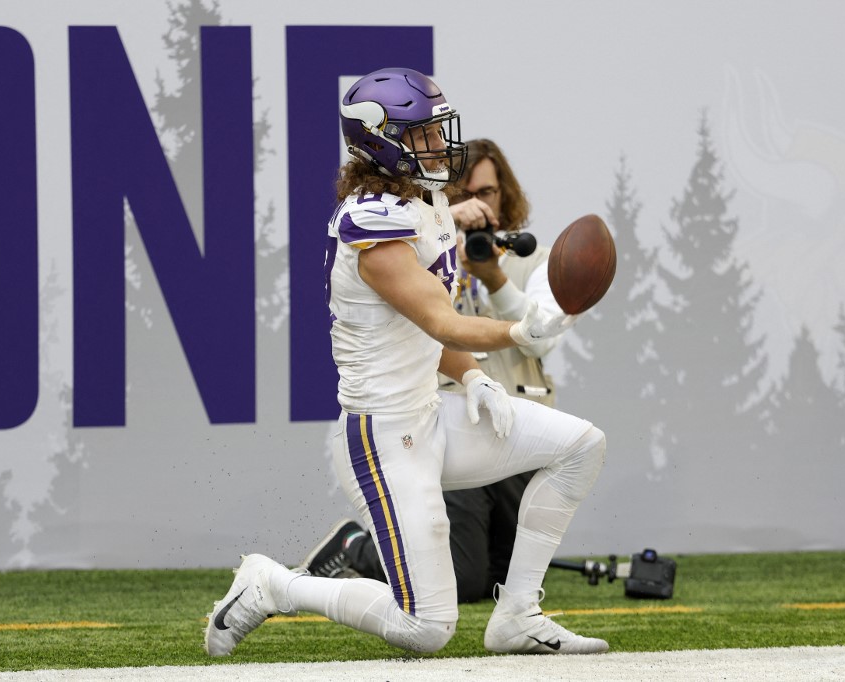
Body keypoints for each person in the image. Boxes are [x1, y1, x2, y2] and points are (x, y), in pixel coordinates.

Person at [204, 67, 607, 657]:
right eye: (422, 134)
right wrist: (522, 329)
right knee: (428, 627)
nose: (440, 144)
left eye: (438, 130)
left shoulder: (427, 203)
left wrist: (471, 375)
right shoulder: (372, 224)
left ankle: (518, 615)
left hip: (431, 412)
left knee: (581, 447)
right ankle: (276, 584)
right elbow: (440, 319)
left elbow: (424, 332)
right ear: (379, 140)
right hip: (384, 434)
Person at [298, 138, 567, 605]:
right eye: (467, 196)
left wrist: (493, 277)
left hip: (516, 418)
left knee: (500, 582)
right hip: (449, 417)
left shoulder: (533, 257)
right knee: (461, 580)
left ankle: (516, 614)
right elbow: (442, 325)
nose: (480, 206)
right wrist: (446, 248)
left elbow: (545, 333)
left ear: (507, 195)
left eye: (489, 193)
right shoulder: (415, 244)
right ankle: (354, 548)